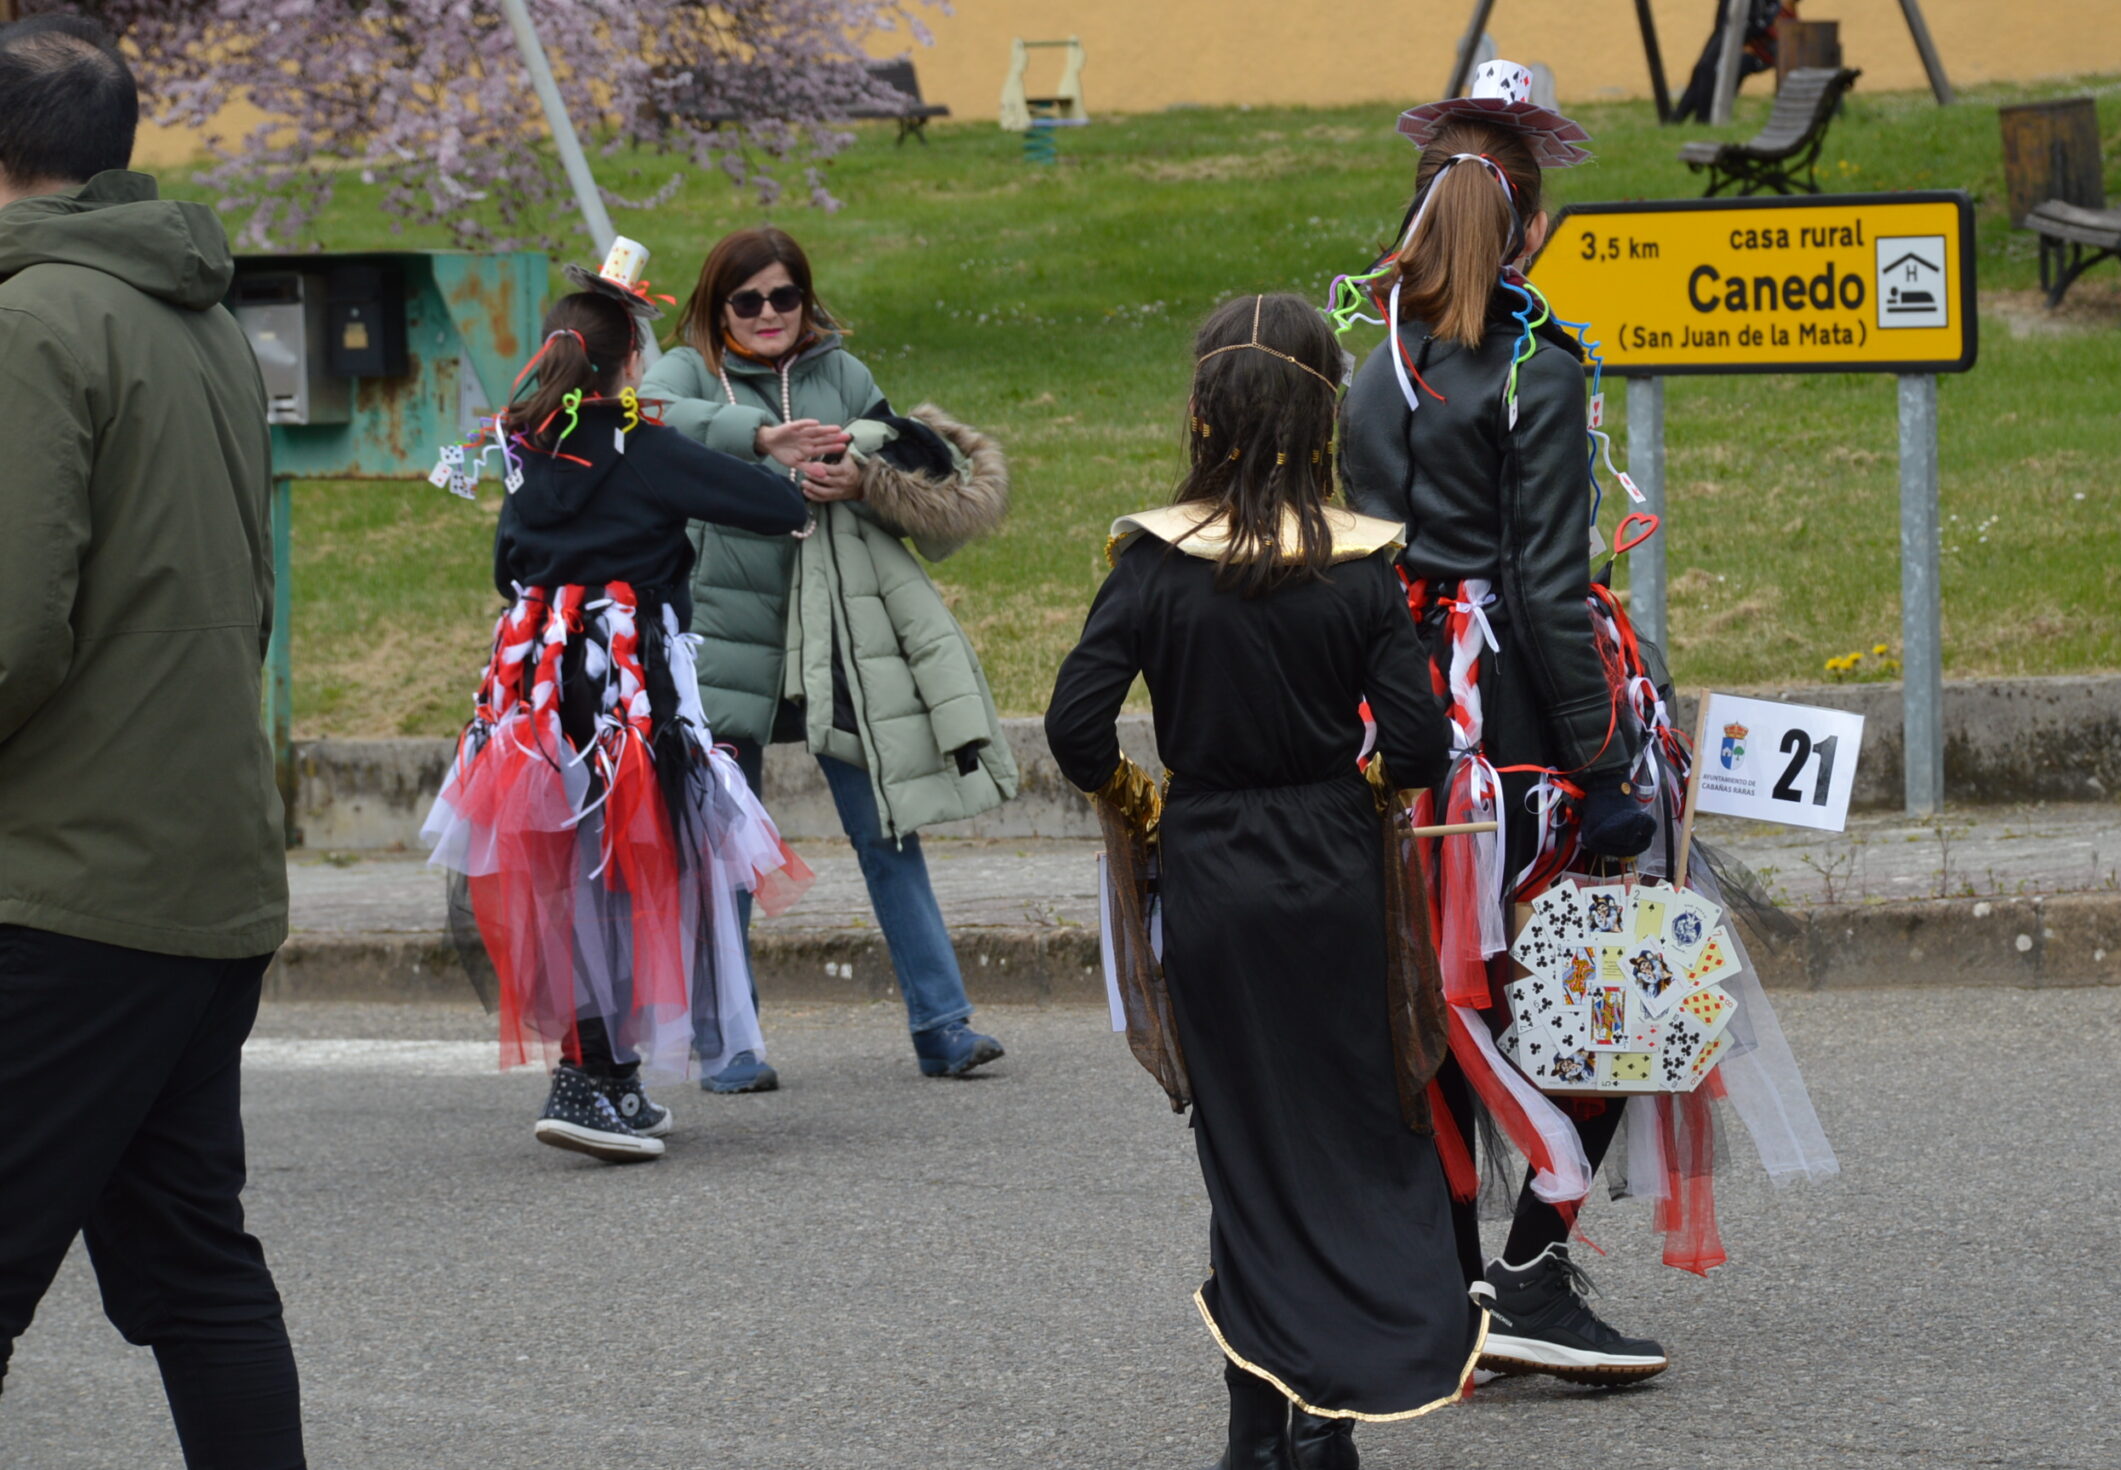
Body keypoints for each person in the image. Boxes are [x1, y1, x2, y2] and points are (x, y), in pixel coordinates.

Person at [1046, 292, 1479, 1470]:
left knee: (1244, 1153)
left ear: (1201, 412)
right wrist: (1367, 797)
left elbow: (1076, 726)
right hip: (1333, 867)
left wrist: (1145, 805)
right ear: (1322, 412)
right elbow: (1419, 742)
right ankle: (1329, 1418)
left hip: (1213, 865)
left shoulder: (1150, 561)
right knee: (1344, 1138)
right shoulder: (1358, 567)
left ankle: (1252, 1434)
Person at [0, 15, 306, 1465]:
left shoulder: (29, 320)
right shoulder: (196, 319)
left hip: (58, 874)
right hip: (202, 866)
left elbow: (9, 630)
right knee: (195, 1266)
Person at [1341, 58, 1672, 1383]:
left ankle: (1450, 1292)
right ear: (1534, 225)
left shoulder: (1378, 373)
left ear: (1421, 215)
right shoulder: (1541, 362)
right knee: (1600, 985)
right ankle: (1531, 1261)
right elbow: (1544, 589)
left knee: (1431, 997)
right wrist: (1603, 762)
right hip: (1518, 733)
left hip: (1398, 715)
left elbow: (1364, 562)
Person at [424, 254, 815, 1161]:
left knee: (571, 878)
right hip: (627, 701)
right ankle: (584, 1078)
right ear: (628, 365)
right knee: (629, 878)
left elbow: (504, 565)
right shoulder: (643, 446)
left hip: (533, 704)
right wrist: (742, 450)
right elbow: (771, 507)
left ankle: (610, 1077)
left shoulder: (527, 451)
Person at [644, 228, 1016, 1087]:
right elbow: (651, 421)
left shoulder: (844, 375)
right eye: (748, 300)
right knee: (726, 844)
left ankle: (943, 1025)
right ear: (716, 306)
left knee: (888, 827)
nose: (769, 314)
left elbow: (905, 464)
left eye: (785, 297)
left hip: (836, 637)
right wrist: (756, 437)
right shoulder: (686, 371)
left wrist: (865, 481)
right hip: (724, 636)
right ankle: (728, 1043)